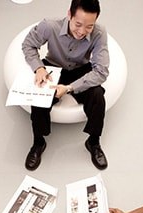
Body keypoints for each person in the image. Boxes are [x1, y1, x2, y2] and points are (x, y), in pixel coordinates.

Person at [22, 0, 110, 171]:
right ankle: (38, 142)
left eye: (89, 26)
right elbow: (28, 45)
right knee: (38, 100)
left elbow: (101, 71)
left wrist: (70, 88)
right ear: (69, 14)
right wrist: (39, 68)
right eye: (78, 24)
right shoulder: (49, 26)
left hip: (81, 70)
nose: (82, 31)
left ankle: (93, 142)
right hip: (53, 68)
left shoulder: (100, 33)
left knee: (98, 96)